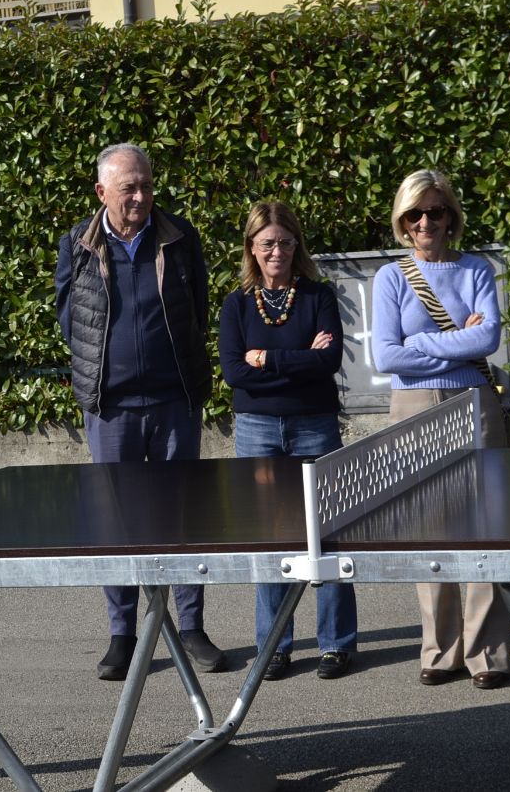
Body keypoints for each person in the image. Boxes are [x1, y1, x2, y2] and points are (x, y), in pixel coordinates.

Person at [54, 142, 224, 680]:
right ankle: (123, 634)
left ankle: (191, 626)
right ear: (102, 192)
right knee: (117, 521)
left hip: (174, 400)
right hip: (112, 406)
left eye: (147, 185)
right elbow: (70, 317)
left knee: (186, 516)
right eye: (129, 188)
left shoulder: (179, 236)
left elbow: (196, 307)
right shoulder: (76, 244)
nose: (142, 196)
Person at [370, 169, 510, 691]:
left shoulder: (476, 269)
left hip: (475, 403)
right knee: (428, 525)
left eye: (435, 211)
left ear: (451, 216)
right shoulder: (390, 277)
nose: (425, 221)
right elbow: (384, 355)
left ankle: (488, 654)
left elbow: (488, 341)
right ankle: (440, 649)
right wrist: (449, 342)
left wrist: (420, 345)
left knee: (484, 527)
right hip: (413, 408)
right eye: (414, 214)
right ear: (402, 222)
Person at [219, 201, 358, 681]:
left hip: (313, 424)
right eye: (266, 244)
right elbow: (234, 373)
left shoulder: (318, 295)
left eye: (284, 242)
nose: (276, 251)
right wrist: (297, 358)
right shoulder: (237, 303)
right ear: (251, 249)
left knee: (326, 530)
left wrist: (267, 360)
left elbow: (330, 361)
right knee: (269, 537)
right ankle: (275, 644)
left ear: (296, 246)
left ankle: (336, 643)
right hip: (257, 429)